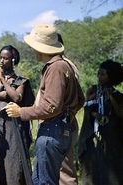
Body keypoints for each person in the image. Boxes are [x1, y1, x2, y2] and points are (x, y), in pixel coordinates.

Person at [5, 24, 84, 185]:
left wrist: (21, 112)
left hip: (51, 130)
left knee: (44, 181)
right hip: (59, 129)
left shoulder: (55, 67)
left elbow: (51, 106)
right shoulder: (64, 65)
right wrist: (67, 116)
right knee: (42, 179)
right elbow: (80, 100)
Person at [0, 45, 35, 185]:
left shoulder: (20, 81)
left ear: (13, 60)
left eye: (6, 58)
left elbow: (16, 98)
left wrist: (4, 80)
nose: (2, 61)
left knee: (12, 159)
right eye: (0, 57)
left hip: (12, 126)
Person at [78, 59, 123, 185]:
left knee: (112, 173)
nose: (99, 77)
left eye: (103, 74)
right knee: (92, 173)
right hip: (92, 139)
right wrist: (94, 114)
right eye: (98, 73)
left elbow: (119, 113)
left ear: (111, 77)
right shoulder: (92, 90)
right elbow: (86, 109)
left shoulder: (118, 96)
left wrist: (111, 98)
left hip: (112, 142)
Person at [58, 33, 81, 185]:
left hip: (62, 126)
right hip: (61, 125)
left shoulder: (63, 66)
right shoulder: (60, 65)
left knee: (64, 172)